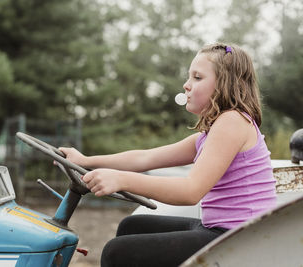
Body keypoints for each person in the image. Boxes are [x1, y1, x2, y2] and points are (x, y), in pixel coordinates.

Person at [59, 43, 277, 267]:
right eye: (189, 77)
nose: (186, 85)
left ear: (225, 84)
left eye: (197, 77)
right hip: (221, 230)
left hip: (243, 240)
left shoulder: (232, 122)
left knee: (117, 253)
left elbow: (191, 191)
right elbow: (145, 158)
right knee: (131, 227)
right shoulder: (212, 133)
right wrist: (86, 161)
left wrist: (121, 179)